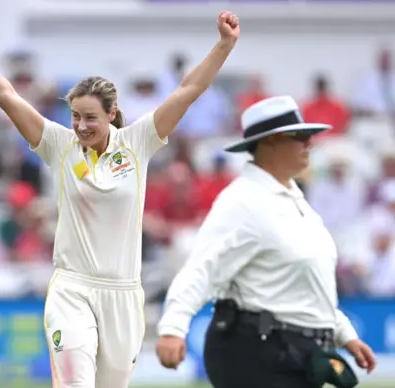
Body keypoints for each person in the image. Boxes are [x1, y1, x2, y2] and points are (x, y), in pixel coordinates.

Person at [0, 11, 240, 388]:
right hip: (72, 289)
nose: (81, 126)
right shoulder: (60, 145)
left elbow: (188, 91)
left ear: (111, 114)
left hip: (124, 295)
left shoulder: (137, 143)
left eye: (90, 117)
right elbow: (7, 97)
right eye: (75, 116)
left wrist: (224, 45)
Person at [156, 96, 377, 388]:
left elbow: (306, 283)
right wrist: (173, 327)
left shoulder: (296, 201)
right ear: (270, 142)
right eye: (300, 136)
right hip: (257, 351)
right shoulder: (242, 201)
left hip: (296, 352)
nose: (309, 143)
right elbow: (202, 267)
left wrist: (343, 334)